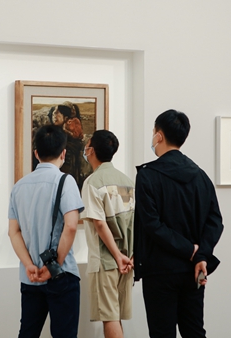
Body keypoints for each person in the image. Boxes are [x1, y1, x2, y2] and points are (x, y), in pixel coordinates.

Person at [134, 109, 223, 338]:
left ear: (159, 136)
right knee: (194, 332)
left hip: (159, 270)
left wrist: (192, 251)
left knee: (162, 333)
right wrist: (201, 254)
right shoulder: (201, 176)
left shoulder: (147, 175)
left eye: (153, 132)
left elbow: (152, 225)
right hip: (193, 270)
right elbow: (215, 221)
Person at [8, 125, 84, 338]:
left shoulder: (19, 187)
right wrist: (54, 266)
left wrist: (29, 265)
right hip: (61, 274)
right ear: (63, 153)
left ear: (36, 154)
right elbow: (71, 225)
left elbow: (13, 232)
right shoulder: (65, 181)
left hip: (30, 277)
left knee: (28, 333)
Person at [80, 130, 135, 338]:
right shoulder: (127, 181)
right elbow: (135, 222)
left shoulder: (92, 182)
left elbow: (100, 224)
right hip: (127, 259)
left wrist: (116, 256)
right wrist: (127, 256)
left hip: (106, 259)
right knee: (115, 315)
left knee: (109, 317)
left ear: (91, 150)